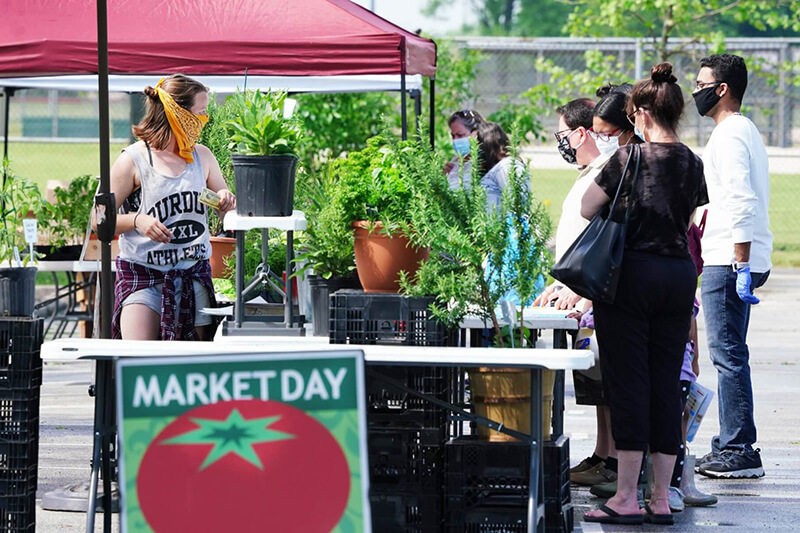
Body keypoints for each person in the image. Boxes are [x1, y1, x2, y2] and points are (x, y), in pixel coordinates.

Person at [581, 63, 708, 525]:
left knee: (628, 383)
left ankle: (626, 498)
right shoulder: (693, 161)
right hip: (678, 277)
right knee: (664, 384)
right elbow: (689, 213)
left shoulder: (628, 159)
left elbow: (586, 205)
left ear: (639, 115)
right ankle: (660, 499)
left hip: (631, 275)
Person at [104, 74, 236, 341]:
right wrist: (137, 221)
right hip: (144, 277)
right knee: (139, 364)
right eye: (200, 112)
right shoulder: (133, 159)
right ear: (178, 114)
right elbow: (98, 220)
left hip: (193, 276)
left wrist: (226, 200)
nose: (205, 119)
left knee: (192, 367)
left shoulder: (203, 156)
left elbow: (226, 211)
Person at [532, 98, 620, 488]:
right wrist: (560, 284)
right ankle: (603, 453)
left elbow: (602, 242)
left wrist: (582, 293)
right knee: (596, 385)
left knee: (609, 381)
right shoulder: (590, 171)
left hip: (594, 295)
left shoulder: (607, 171)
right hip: (578, 292)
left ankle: (615, 459)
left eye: (564, 133)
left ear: (582, 132)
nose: (561, 142)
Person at [692, 54, 772, 479]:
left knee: (727, 355)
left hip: (730, 258)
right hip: (733, 255)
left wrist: (740, 262)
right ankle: (729, 442)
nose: (695, 91)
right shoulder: (741, 130)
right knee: (730, 353)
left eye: (701, 83)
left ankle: (740, 448)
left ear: (721, 88)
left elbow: (741, 197)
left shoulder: (729, 135)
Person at [444, 109, 484, 189]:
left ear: (476, 133)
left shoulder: (484, 161)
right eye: (453, 136)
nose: (455, 140)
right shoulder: (456, 160)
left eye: (460, 135)